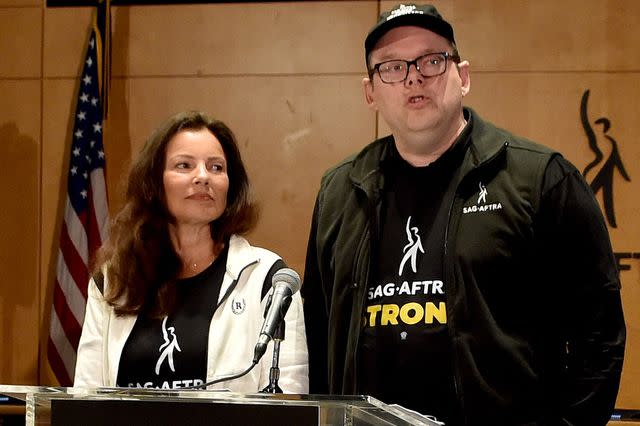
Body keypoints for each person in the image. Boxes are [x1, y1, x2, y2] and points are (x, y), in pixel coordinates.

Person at [302, 4, 625, 425]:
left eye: (432, 61)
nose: (414, 77)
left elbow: (598, 336)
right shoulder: (340, 191)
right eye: (392, 67)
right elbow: (317, 334)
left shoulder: (539, 178)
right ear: (370, 93)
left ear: (464, 77)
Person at [74, 111, 308, 393]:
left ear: (230, 186)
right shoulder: (113, 281)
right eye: (184, 165)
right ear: (154, 183)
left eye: (216, 167)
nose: (203, 177)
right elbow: (85, 399)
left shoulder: (269, 280)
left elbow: (290, 403)